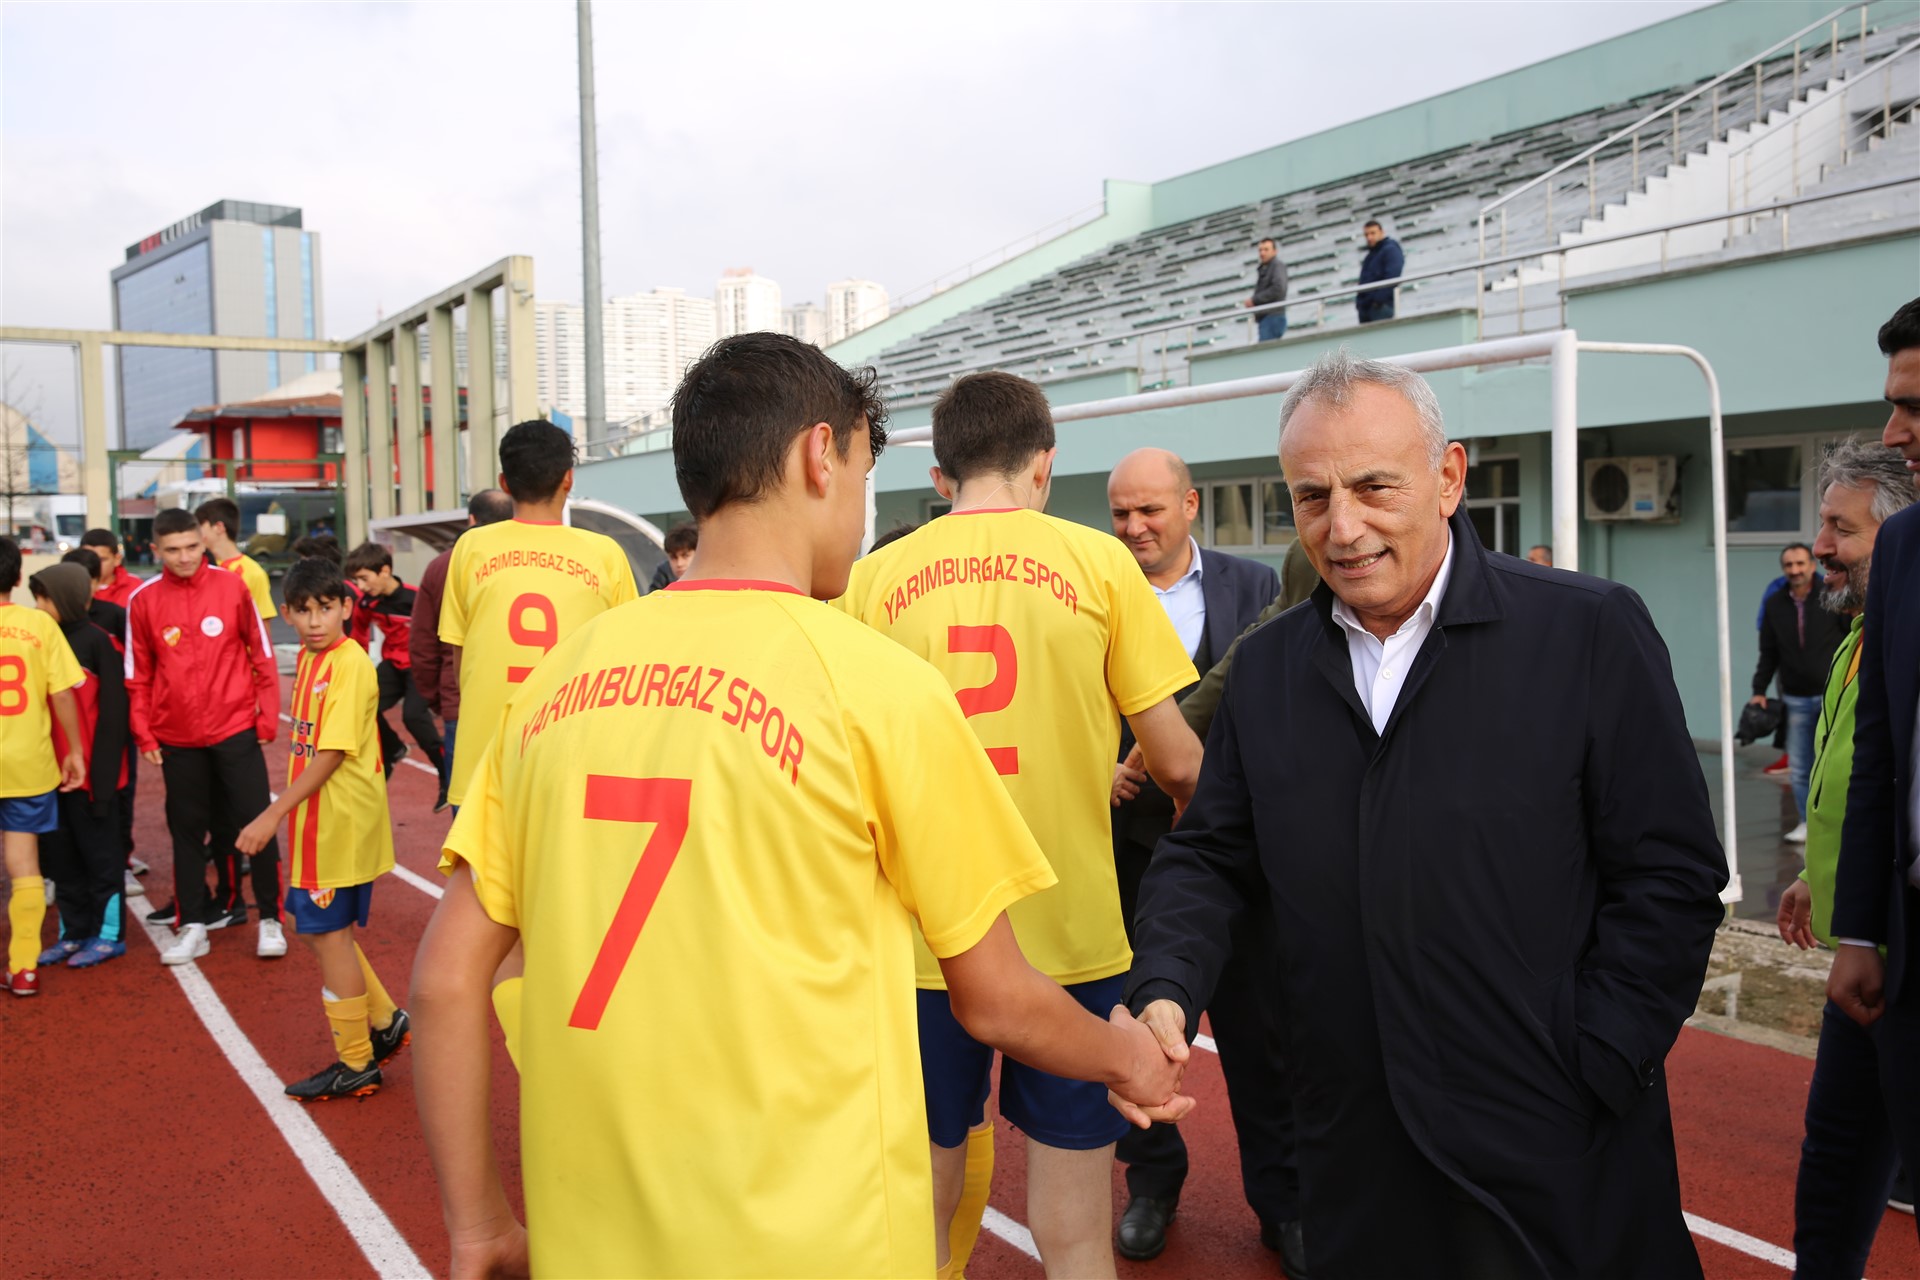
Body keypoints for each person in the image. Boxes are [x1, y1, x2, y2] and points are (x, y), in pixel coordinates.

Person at [411, 332, 1193, 1279]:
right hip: (822, 1234)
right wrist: (1128, 1060)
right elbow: (996, 996)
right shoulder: (875, 688)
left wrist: (480, 1225)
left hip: (593, 1236)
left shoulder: (554, 684)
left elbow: (446, 982)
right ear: (821, 457)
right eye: (862, 473)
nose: (862, 510)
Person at [1127, 348, 1728, 1278]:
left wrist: (1600, 1059)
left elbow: (1672, 875)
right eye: (1313, 497)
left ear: (1449, 478)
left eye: (1374, 487)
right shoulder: (1271, 669)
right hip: (1355, 1156)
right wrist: (1166, 983)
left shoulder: (1588, 631)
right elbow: (1207, 856)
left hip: (1554, 1148)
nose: (1343, 528)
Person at [837, 371, 1204, 1280]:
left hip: (924, 939)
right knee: (1074, 1229)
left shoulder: (874, 579)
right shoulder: (1099, 562)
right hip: (1070, 934)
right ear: (1044, 464)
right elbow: (1178, 762)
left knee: (920, 1214)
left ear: (940, 474)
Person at [1103, 448, 1300, 1271]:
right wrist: (1098, 767)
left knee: (1264, 1035)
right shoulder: (1091, 592)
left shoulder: (1256, 588)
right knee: (1144, 1026)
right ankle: (1152, 1184)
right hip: (1132, 851)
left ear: (1189, 506)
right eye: (1120, 513)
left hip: (1242, 852)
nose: (1133, 527)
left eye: (1149, 510)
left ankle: (1283, 1202)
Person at [1774, 438, 1915, 1276]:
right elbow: (1852, 783)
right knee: (1835, 1156)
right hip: (1865, 952)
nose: (1821, 545)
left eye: (1841, 529)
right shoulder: (1856, 638)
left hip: (1899, 954)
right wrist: (1813, 877)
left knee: (1850, 1154)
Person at [234, 558, 407, 1101]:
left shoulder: (349, 663)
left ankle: (356, 1063)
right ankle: (385, 1020)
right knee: (315, 930)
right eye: (303, 611)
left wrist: (272, 813)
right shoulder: (314, 658)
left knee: (328, 935)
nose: (314, 621)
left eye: (325, 609)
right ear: (287, 613)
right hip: (319, 819)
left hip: (339, 821)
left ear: (346, 608)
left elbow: (331, 752)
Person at [1827, 296, 1920, 1257]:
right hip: (1901, 941)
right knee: (1845, 1165)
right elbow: (1877, 765)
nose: (1897, 433)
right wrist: (1857, 923)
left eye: (1917, 407)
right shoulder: (1906, 556)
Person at [438, 420, 638, 811]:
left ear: (504, 483)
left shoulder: (471, 547)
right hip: (570, 755)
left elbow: (461, 660)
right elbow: (623, 661)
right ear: (568, 479)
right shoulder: (605, 554)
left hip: (486, 758)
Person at [126, 507, 285, 964]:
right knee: (187, 831)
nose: (184, 557)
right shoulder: (143, 600)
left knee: (256, 821)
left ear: (203, 542)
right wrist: (144, 733)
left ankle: (270, 918)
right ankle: (193, 923)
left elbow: (261, 653)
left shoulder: (232, 586)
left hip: (235, 727)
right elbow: (137, 673)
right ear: (155, 550)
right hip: (177, 736)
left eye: (192, 547)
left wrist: (266, 716)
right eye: (173, 550)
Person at [27, 563, 130, 970]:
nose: (38, 606)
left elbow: (113, 719)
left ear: (65, 598)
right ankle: (72, 933)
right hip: (51, 774)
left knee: (102, 859)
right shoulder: (40, 640)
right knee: (63, 860)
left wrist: (103, 782)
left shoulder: (98, 642)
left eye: (44, 598)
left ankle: (108, 935)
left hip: (93, 778)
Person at [0, 536, 88, 997]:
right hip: (28, 763)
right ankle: (24, 968)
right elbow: (63, 693)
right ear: (18, 577)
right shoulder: (38, 624)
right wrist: (74, 750)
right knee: (25, 867)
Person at [411, 489, 513, 813]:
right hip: (529, 700)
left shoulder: (445, 564)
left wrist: (439, 699)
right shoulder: (535, 559)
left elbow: (423, 643)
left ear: (471, 519)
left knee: (470, 810)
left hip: (464, 700)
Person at [1751, 541, 1847, 841]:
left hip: (1834, 696)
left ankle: (1840, 824)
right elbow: (1768, 651)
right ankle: (1807, 823)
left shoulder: (1831, 593)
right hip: (1795, 698)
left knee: (1838, 763)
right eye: (1789, 565)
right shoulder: (1775, 603)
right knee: (1801, 766)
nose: (1795, 570)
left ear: (1811, 565)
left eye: (1800, 563)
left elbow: (1852, 637)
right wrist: (1759, 689)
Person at [344, 541, 448, 783]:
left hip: (418, 666)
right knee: (362, 706)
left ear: (385, 571)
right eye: (356, 580)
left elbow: (441, 634)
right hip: (392, 664)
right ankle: (393, 750)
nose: (361, 586)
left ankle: (446, 773)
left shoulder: (417, 598)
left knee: (413, 717)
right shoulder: (367, 603)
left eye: (364, 578)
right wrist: (355, 667)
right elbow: (358, 635)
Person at [79, 530, 145, 894]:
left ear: (116, 558)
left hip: (118, 710)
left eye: (100, 557)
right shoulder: (69, 598)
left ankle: (123, 858)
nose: (92, 563)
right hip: (79, 714)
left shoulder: (133, 593)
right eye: (87, 555)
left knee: (120, 785)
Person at [195, 497, 277, 625]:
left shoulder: (254, 573)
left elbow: (262, 624)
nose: (196, 534)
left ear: (219, 527)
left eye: (200, 526)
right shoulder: (196, 567)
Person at [1355, 219, 1404, 324]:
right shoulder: (1370, 255)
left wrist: (1378, 300)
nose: (1369, 237)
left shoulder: (1390, 249)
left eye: (1373, 233)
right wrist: (1360, 303)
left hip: (1381, 307)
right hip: (1366, 308)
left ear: (1382, 232)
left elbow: (1393, 276)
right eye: (1366, 235)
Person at [80, 528, 143, 608]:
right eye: (89, 559)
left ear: (117, 559)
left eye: (101, 560)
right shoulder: (70, 587)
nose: (94, 564)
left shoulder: (136, 587)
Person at [1245, 238, 1289, 343]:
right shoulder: (1266, 268)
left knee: (1267, 349)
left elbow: (1278, 288)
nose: (1262, 253)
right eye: (1260, 250)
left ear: (1274, 251)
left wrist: (1255, 300)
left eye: (1266, 249)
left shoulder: (1277, 266)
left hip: (1272, 317)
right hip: (1268, 317)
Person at [647, 520, 698, 591]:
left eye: (685, 556)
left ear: (698, 553)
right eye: (673, 557)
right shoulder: (663, 575)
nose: (679, 564)